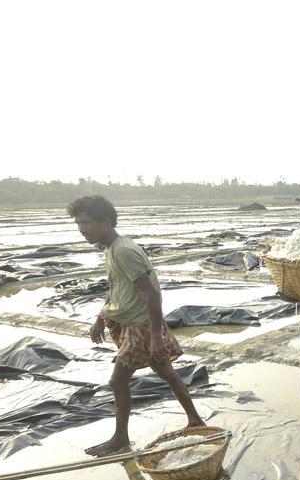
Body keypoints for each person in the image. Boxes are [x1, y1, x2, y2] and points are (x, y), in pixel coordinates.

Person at [68, 196, 206, 457]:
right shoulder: (110, 248)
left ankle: (120, 438)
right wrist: (100, 318)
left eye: (85, 222)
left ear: (105, 222)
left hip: (140, 328)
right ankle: (195, 420)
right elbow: (117, 287)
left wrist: (155, 337)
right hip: (132, 324)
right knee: (166, 371)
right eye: (78, 224)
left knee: (117, 382)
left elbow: (151, 294)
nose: (82, 229)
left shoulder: (123, 250)